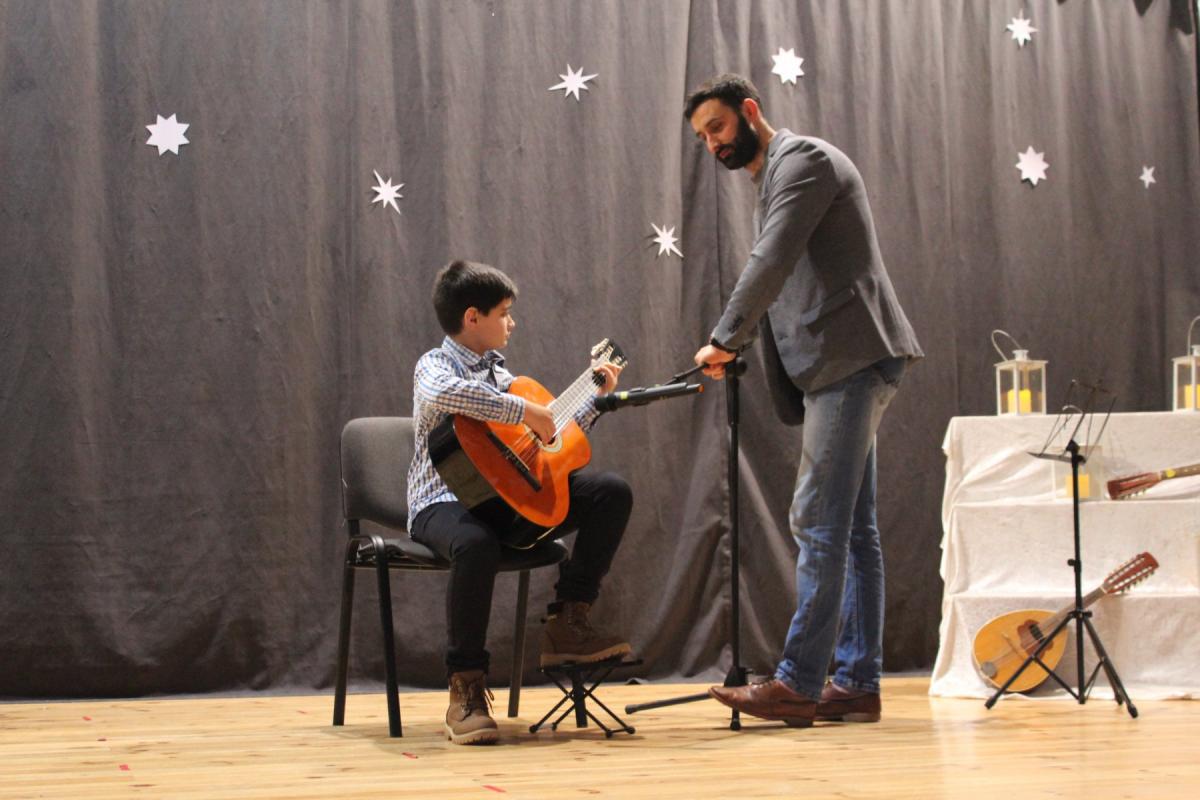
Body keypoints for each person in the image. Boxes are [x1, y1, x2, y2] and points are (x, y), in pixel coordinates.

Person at [686, 75, 923, 727]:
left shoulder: (803, 161)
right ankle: (857, 684)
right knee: (852, 530)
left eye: (717, 127)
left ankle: (797, 683)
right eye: (703, 137)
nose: (712, 144)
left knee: (817, 519)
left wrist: (724, 339)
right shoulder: (775, 176)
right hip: (843, 363)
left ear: (750, 111)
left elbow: (772, 261)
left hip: (850, 359)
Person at [407, 259, 633, 745]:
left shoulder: (502, 374)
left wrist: (593, 395)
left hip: (502, 499)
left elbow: (550, 435)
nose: (512, 322)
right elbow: (444, 394)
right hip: (440, 501)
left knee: (610, 492)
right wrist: (524, 410)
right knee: (475, 543)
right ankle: (465, 687)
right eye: (505, 313)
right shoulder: (434, 366)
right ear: (472, 317)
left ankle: (568, 621)